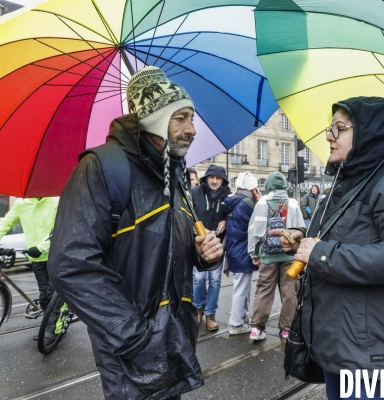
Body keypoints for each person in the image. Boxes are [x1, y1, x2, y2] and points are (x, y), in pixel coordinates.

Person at [48, 66, 223, 400]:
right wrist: (137, 337)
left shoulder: (176, 173)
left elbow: (167, 249)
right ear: (154, 119)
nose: (192, 130)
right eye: (181, 118)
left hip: (175, 336)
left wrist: (204, 255)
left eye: (192, 118)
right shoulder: (102, 167)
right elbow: (70, 265)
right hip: (132, 345)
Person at [278, 97, 384, 399]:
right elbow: (340, 236)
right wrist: (302, 239)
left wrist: (322, 254)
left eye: (340, 128)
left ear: (367, 134)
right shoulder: (348, 181)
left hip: (378, 356)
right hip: (344, 346)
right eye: (330, 127)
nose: (329, 136)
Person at [247, 171, 304, 341]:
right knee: (290, 292)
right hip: (289, 255)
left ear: (270, 185)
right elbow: (300, 228)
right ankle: (286, 329)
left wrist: (254, 252)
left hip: (267, 254)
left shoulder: (262, 203)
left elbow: (254, 230)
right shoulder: (292, 203)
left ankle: (257, 328)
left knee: (264, 290)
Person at [0, 197, 59, 314]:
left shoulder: (55, 200)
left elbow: (59, 229)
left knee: (53, 294)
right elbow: (5, 223)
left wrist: (41, 247)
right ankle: (49, 321)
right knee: (45, 296)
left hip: (56, 256)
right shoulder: (20, 203)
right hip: (37, 258)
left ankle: (56, 326)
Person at [191, 165, 231, 330]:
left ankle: (210, 314)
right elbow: (186, 214)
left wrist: (226, 221)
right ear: (206, 178)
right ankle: (198, 309)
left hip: (217, 243)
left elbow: (233, 215)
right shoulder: (195, 192)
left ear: (223, 180)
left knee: (215, 281)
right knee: (199, 279)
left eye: (218, 178)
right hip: (198, 242)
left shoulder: (228, 196)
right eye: (211, 177)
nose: (214, 181)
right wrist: (196, 228)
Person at [223, 172, 262, 335]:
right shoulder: (247, 203)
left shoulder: (233, 199)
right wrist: (260, 202)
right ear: (253, 188)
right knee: (241, 288)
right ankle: (236, 324)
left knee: (243, 287)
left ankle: (242, 317)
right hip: (243, 249)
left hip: (234, 248)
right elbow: (259, 221)